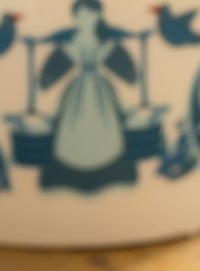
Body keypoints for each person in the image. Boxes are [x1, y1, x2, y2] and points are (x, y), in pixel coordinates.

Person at [40, 0, 138, 192]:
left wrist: (131, 76)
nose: (85, 18)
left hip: (97, 87)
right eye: (81, 14)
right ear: (75, 17)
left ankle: (109, 160)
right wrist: (45, 81)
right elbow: (60, 62)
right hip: (80, 88)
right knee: (71, 122)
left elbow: (122, 64)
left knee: (107, 121)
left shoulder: (103, 41)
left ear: (98, 15)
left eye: (89, 14)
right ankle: (69, 162)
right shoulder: (75, 41)